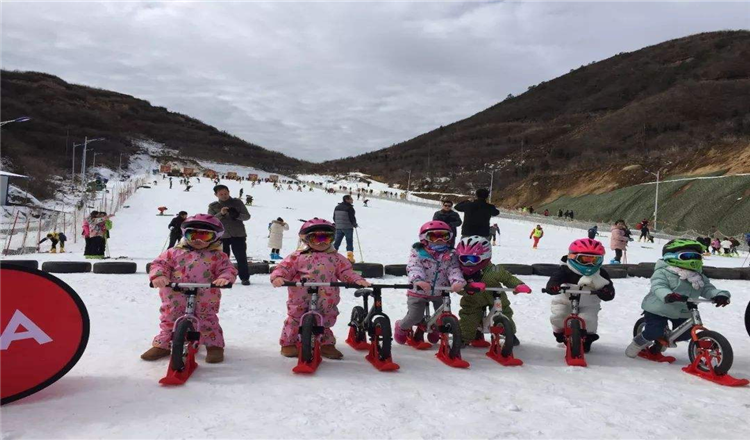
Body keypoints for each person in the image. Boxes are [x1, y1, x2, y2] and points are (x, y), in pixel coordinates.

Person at [142, 214, 237, 363]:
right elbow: (159, 264)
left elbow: (227, 269)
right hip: (175, 295)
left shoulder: (218, 256)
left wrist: (224, 278)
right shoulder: (173, 252)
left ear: (215, 238)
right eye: (192, 235)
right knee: (170, 318)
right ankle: (164, 344)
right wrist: (159, 276)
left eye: (205, 236)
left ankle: (214, 346)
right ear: (184, 234)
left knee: (207, 319)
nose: (198, 240)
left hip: (205, 295)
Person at [270, 218, 370, 359]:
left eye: (327, 238)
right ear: (306, 239)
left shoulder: (336, 258)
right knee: (295, 319)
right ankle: (289, 343)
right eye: (317, 238)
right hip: (301, 297)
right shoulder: (297, 257)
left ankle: (326, 344)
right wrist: (278, 277)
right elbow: (284, 268)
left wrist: (357, 280)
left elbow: (346, 272)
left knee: (325, 319)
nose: (322, 241)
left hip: (327, 297)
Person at [625, 239, 730, 361]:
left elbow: (707, 289)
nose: (694, 260)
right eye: (688, 256)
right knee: (654, 331)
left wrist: (719, 295)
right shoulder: (663, 272)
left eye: (697, 257)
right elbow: (658, 286)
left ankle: (660, 344)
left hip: (683, 310)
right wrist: (668, 295)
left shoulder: (698, 276)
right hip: (659, 308)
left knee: (686, 334)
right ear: (671, 257)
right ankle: (637, 343)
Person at [393, 221, 466, 346]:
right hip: (418, 291)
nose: (439, 240)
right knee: (415, 316)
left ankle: (435, 329)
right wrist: (418, 280)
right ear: (424, 239)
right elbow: (414, 267)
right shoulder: (418, 253)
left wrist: (457, 281)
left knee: (442, 314)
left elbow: (453, 269)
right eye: (433, 236)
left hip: (440, 291)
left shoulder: (451, 254)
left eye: (444, 236)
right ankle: (401, 326)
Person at [455, 236, 531, 347]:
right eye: (464, 259)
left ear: (485, 257)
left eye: (473, 259)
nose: (468, 263)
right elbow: (459, 287)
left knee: (504, 314)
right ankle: (465, 338)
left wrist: (518, 285)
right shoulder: (461, 273)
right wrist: (468, 288)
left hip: (496, 298)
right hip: (473, 300)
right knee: (469, 318)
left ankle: (508, 333)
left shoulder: (494, 270)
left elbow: (508, 278)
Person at [545, 239, 615, 352]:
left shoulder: (601, 274)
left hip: (589, 303)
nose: (589, 264)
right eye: (585, 259)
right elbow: (554, 280)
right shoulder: (565, 270)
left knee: (589, 320)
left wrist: (606, 291)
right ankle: (559, 333)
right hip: (564, 300)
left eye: (594, 260)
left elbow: (609, 291)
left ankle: (587, 338)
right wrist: (554, 286)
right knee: (559, 316)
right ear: (573, 257)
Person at [208, 184, 252, 286]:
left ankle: (245, 278)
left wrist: (237, 215)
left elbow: (247, 216)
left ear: (229, 192)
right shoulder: (213, 206)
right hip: (222, 236)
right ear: (216, 195)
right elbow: (211, 221)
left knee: (241, 257)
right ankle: (222, 277)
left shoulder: (237, 202)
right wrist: (221, 214)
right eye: (221, 194)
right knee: (223, 258)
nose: (224, 196)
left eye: (226, 193)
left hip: (238, 234)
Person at [333, 195, 358, 263]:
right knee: (349, 242)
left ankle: (331, 256)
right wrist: (354, 224)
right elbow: (351, 218)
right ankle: (350, 258)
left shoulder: (337, 207)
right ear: (347, 200)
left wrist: (338, 224)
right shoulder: (349, 208)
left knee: (337, 242)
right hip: (348, 228)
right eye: (351, 199)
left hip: (338, 227)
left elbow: (334, 218)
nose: (352, 200)